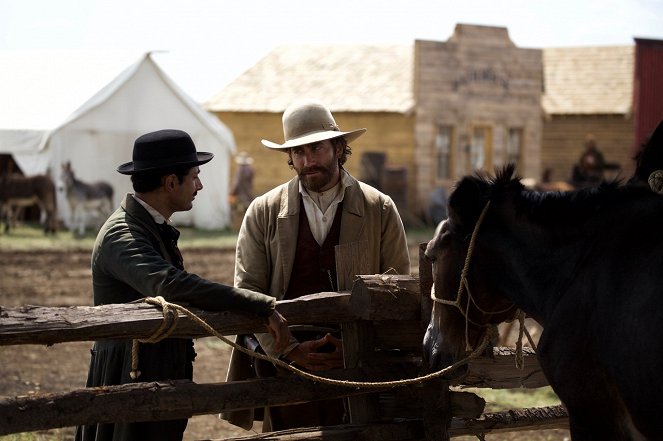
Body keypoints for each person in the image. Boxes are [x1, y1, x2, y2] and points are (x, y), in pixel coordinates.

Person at [74, 129, 291, 441]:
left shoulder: (148, 226)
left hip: (152, 374)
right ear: (171, 182)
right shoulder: (122, 235)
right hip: (126, 376)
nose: (200, 185)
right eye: (195, 176)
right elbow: (172, 285)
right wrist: (258, 303)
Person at [223, 99, 411, 431]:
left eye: (317, 148)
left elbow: (396, 292)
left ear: (339, 148)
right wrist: (289, 350)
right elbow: (247, 291)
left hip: (357, 367)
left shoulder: (378, 209)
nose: (308, 161)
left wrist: (356, 349)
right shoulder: (263, 212)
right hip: (288, 366)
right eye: (298, 152)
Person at [229, 151, 255, 216]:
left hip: (241, 193)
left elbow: (237, 182)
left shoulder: (240, 170)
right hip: (248, 192)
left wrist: (232, 192)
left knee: (239, 211)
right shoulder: (251, 170)